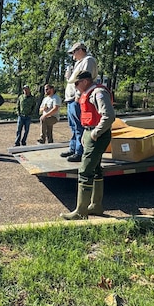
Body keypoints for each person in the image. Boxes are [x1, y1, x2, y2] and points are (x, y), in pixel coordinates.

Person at [60, 70, 115, 220]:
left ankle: (80, 211)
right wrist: (86, 134)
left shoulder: (98, 93)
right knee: (96, 169)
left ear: (85, 81)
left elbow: (109, 116)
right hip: (90, 132)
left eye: (77, 83)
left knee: (84, 171)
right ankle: (95, 206)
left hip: (97, 135)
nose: (76, 87)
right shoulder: (89, 93)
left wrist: (95, 133)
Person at [61, 42, 98, 162]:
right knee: (73, 126)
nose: (72, 55)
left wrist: (78, 95)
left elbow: (85, 80)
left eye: (73, 52)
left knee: (79, 126)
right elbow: (75, 79)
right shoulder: (78, 63)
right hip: (71, 98)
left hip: (77, 98)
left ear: (81, 50)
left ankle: (80, 151)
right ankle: (73, 148)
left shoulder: (88, 60)